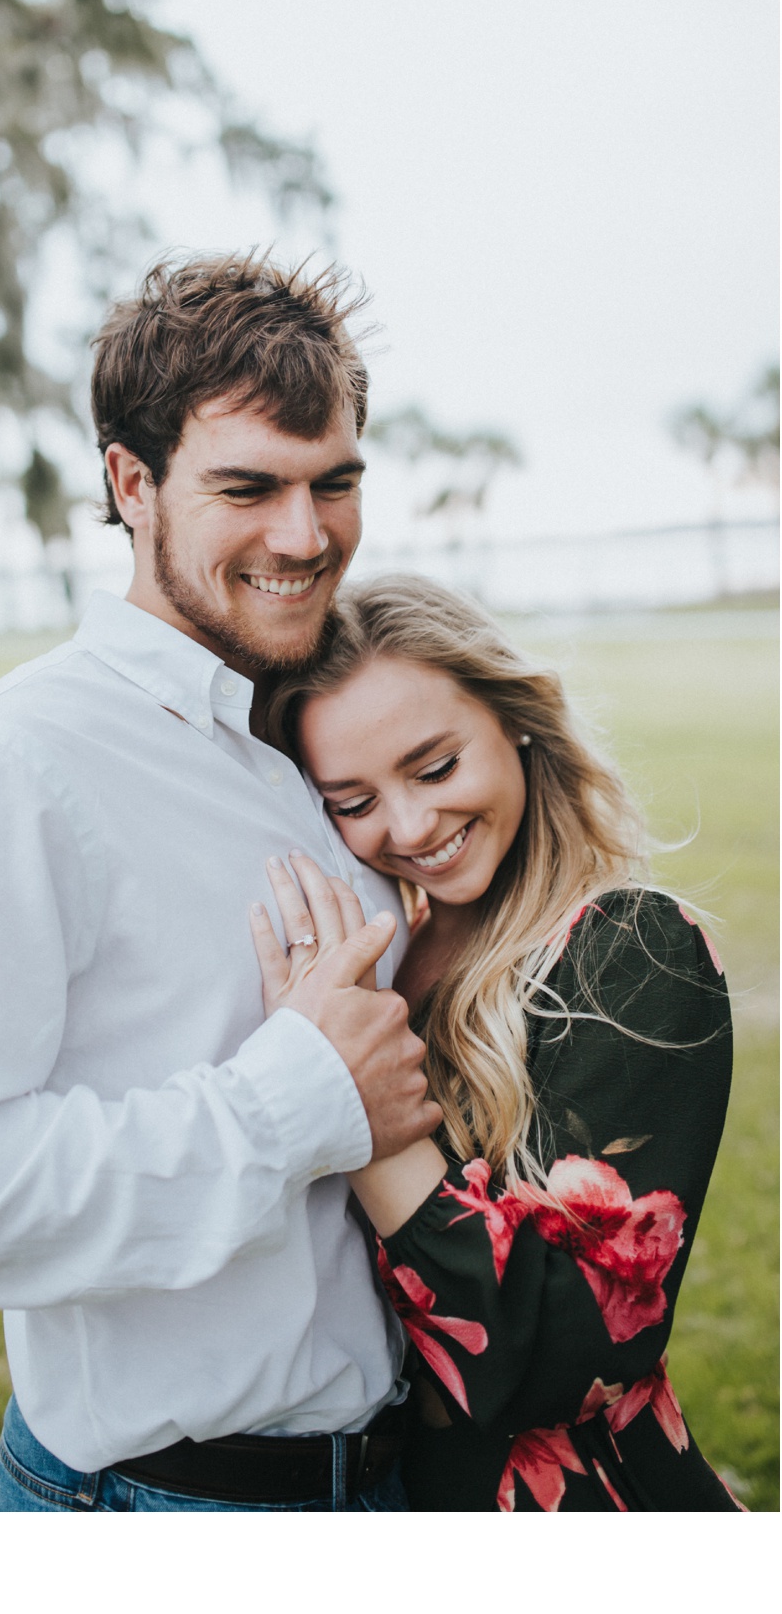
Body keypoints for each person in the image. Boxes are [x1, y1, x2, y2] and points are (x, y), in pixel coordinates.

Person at [0, 253, 440, 1511]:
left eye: (334, 483)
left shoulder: (324, 734)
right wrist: (292, 1100)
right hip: (163, 1503)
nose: (304, 535)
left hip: (399, 1477)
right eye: (246, 488)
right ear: (131, 482)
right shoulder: (9, 767)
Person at [251, 574, 740, 1510]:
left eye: (435, 768)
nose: (409, 827)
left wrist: (360, 1110)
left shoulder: (634, 953)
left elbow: (561, 1360)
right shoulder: (388, 949)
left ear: (518, 718)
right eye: (353, 802)